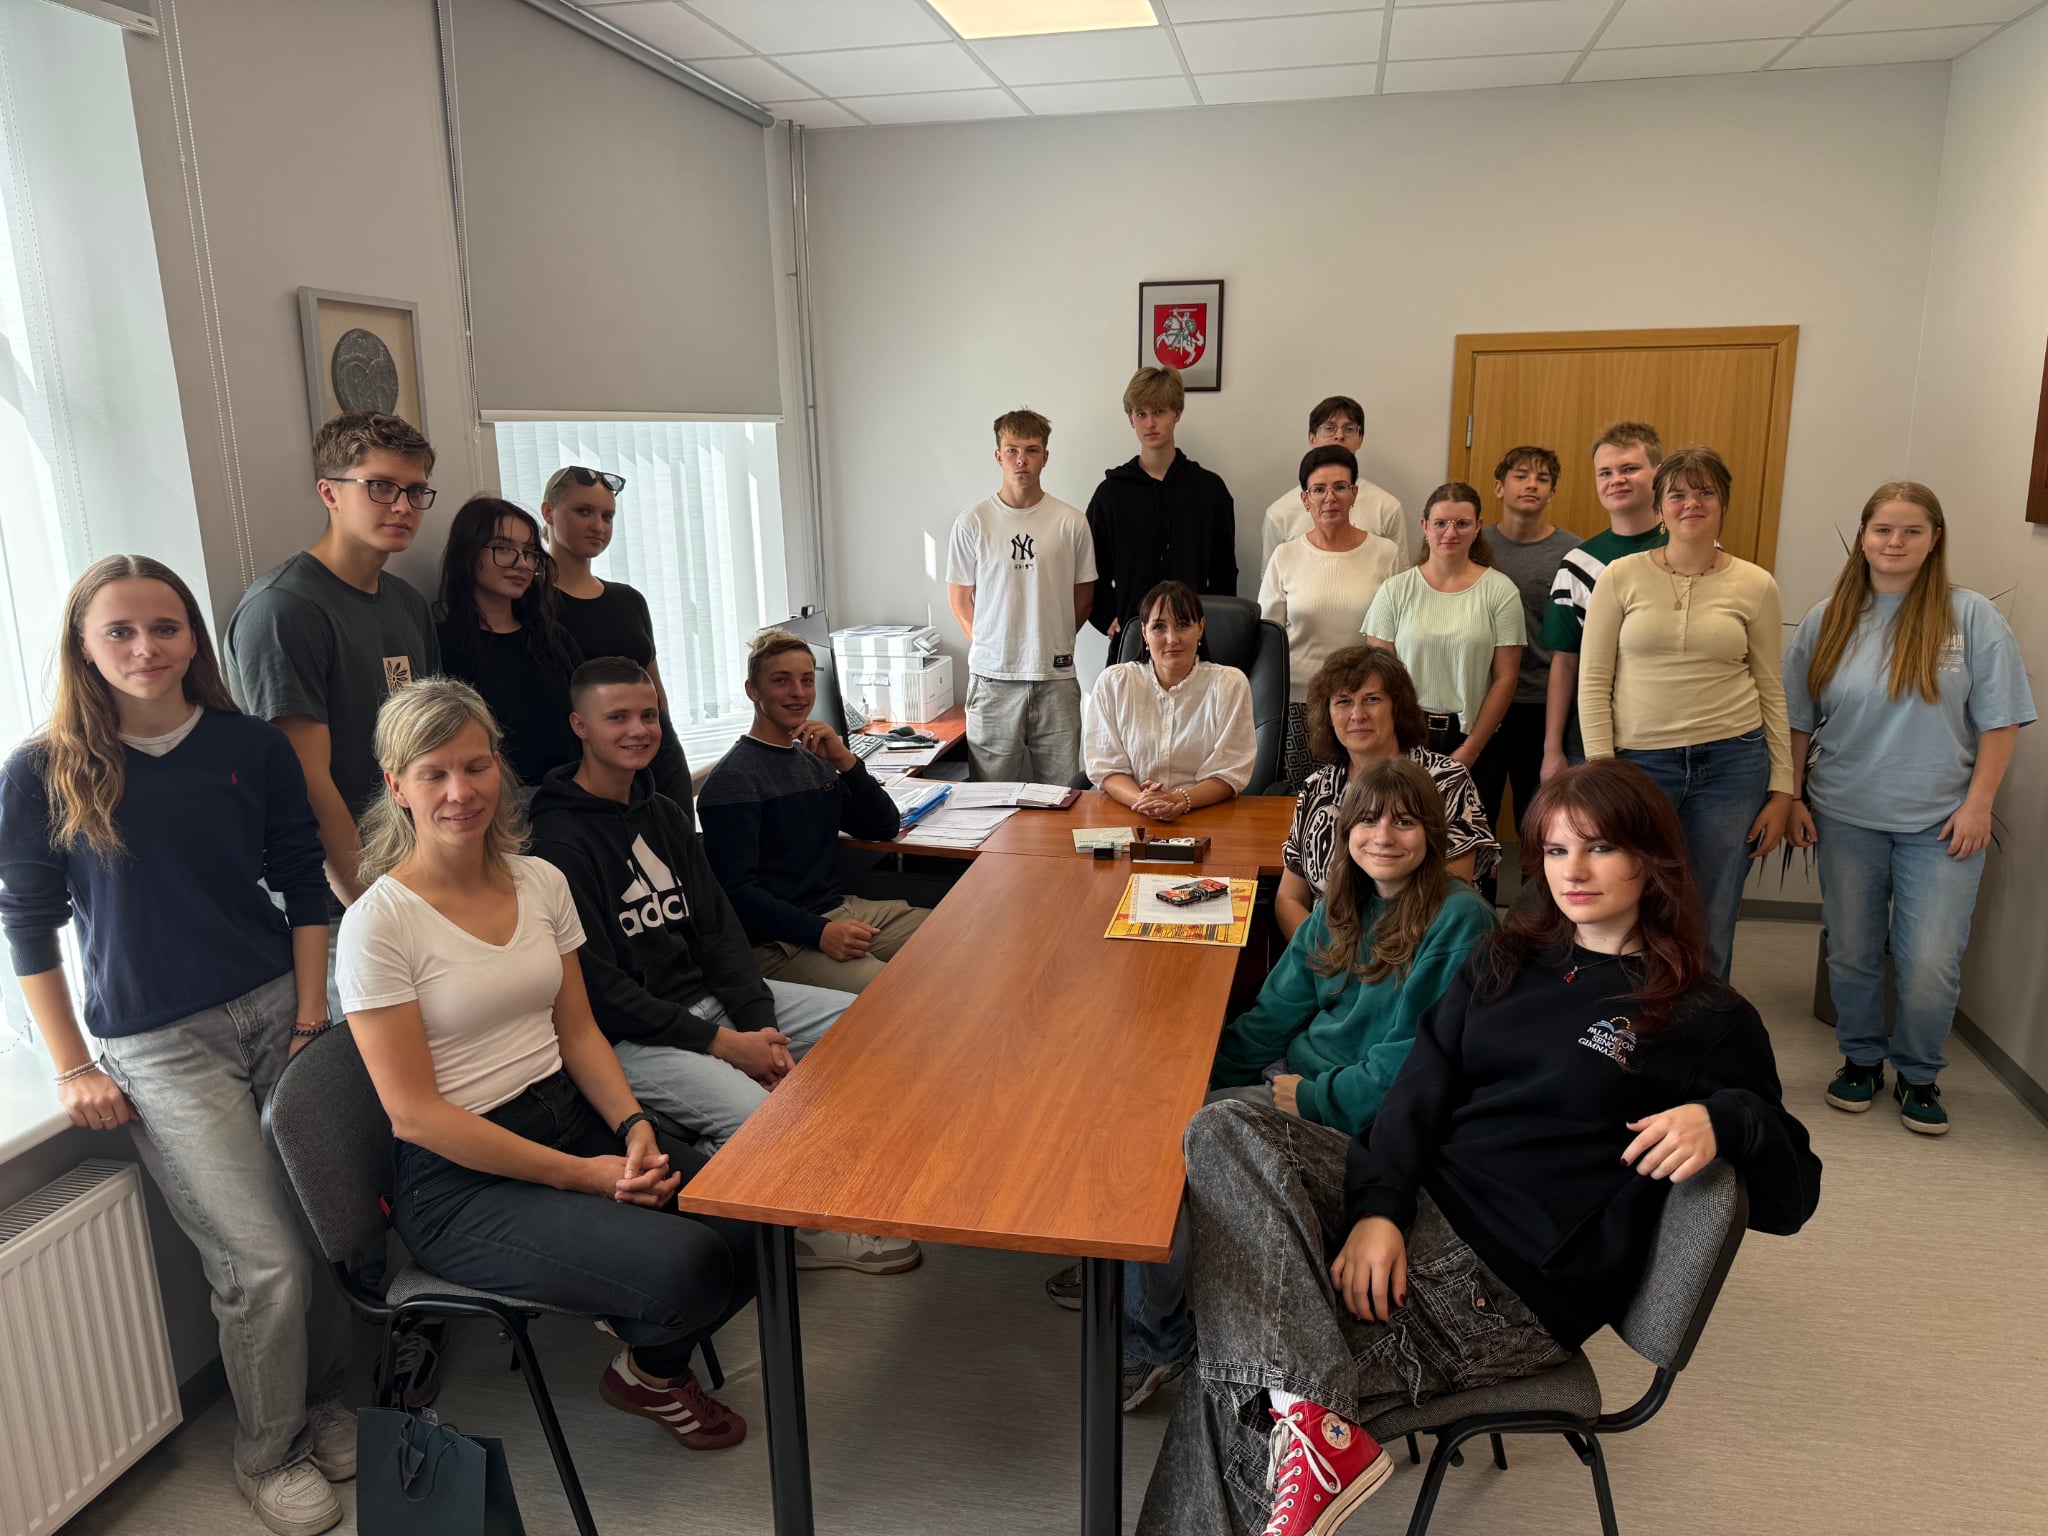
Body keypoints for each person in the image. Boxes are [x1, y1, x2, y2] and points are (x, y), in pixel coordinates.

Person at [1135, 759, 1822, 1536]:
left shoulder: (1706, 1016)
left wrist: (1727, 1119)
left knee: (1234, 1380)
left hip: (1504, 1287)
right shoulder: (1507, 959)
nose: (1573, 871)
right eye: (1556, 850)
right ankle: (1311, 1416)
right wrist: (1380, 1211)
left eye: (1599, 848)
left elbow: (1793, 1196)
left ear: (1652, 857)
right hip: (1420, 1211)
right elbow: (1415, 1098)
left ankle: (1300, 1415)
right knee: (1222, 1127)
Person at [1, 557, 353, 1536]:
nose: (145, 647)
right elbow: (28, 928)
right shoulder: (42, 770)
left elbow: (303, 882)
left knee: (320, 1227)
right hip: (160, 1047)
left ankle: (324, 1403)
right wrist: (72, 1065)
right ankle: (267, 1453)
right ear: (83, 646)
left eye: (164, 627)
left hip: (281, 1010)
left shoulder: (248, 745)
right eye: (119, 631)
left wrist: (311, 1017)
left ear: (194, 636)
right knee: (261, 1262)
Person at [337, 679, 755, 1455]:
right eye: (433, 773)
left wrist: (632, 1127)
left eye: (476, 765)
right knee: (691, 1265)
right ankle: (641, 1325)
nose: (460, 791)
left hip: (569, 1117)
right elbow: (414, 1115)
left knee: (753, 1216)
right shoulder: (378, 924)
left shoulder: (539, 881)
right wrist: (582, 1177)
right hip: (459, 1182)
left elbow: (579, 1032)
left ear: (500, 766)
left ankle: (649, 1370)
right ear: (397, 787)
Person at [1093, 761, 1498, 1414]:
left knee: (1169, 1147)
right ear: (1346, 832)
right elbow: (1271, 1017)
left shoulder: (1459, 920)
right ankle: (1132, 1274)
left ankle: (1157, 1337)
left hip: (1352, 1115)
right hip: (1293, 1078)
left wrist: (1313, 1097)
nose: (1383, 836)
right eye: (1368, 820)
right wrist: (1191, 1080)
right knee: (1152, 1108)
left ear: (1432, 833)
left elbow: (1414, 1067)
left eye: (1404, 821)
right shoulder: (1342, 904)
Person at [529, 657, 920, 1273]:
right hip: (633, 1038)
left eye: (649, 715)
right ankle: (790, 1225)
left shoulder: (663, 811)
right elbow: (603, 995)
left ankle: (809, 1167)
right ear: (580, 726)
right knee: (767, 1120)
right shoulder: (555, 842)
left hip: (709, 1004)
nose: (639, 730)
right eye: (618, 718)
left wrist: (761, 1028)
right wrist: (728, 1046)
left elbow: (719, 933)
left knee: (879, 1028)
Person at [1784, 482, 2034, 1135]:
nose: (1895, 542)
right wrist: (1794, 798)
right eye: (1883, 529)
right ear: (1863, 537)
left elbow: (2001, 721)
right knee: (1852, 950)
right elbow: (1797, 721)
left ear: (1934, 539)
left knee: (1929, 961)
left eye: (1911, 531)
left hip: (1943, 821)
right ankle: (1861, 1061)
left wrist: (1979, 805)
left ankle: (1919, 1074)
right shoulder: (1828, 618)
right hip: (1845, 814)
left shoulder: (1970, 617)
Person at [225, 412, 440, 976]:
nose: (402, 506)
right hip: (338, 903)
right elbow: (306, 781)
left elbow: (428, 745)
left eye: (415, 491)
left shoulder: (407, 603)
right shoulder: (284, 610)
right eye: (381, 487)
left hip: (417, 874)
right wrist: (374, 908)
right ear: (329, 493)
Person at [1578, 446, 1792, 980]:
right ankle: (1629, 1018)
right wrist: (1602, 771)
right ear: (1659, 507)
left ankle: (1703, 1020)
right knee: (1630, 902)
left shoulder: (1756, 584)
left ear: (1723, 504)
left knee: (1711, 912)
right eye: (1677, 494)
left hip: (1733, 765)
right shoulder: (1620, 576)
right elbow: (1594, 680)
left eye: (1705, 492)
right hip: (1638, 766)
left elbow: (1771, 686)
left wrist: (1783, 788)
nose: (1691, 503)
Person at [698, 629, 928, 993]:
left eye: (807, 680)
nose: (798, 692)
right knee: (892, 990)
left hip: (840, 909)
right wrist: (819, 932)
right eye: (781, 681)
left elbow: (883, 826)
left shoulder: (814, 761)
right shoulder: (733, 780)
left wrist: (846, 761)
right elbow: (736, 894)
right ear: (752, 690)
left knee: (957, 934)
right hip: (778, 941)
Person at [1277, 647, 1499, 941]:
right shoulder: (1315, 787)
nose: (1357, 714)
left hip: (1419, 950)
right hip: (1324, 952)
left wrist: (1363, 962)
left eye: (1372, 699)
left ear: (1398, 707)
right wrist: (1320, 957)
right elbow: (1289, 899)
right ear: (1328, 715)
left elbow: (1444, 903)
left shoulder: (1445, 781)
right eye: (1343, 701)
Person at [945, 408, 1098, 783]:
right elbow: (960, 600)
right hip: (992, 681)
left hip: (1055, 679)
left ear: (1045, 456)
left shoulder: (1071, 522)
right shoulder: (973, 522)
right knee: (990, 800)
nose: (1021, 460)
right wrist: (994, 646)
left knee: (1061, 796)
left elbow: (1083, 598)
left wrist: (1052, 638)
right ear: (998, 456)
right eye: (1012, 450)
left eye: (1031, 450)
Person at [539, 464, 693, 819]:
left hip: (660, 762)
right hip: (585, 774)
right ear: (548, 512)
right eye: (584, 511)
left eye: (607, 516)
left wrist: (663, 738)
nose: (598, 525)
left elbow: (654, 688)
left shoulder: (629, 600)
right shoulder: (532, 605)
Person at [1258, 445, 1400, 792]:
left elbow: (1399, 632)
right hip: (1301, 704)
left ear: (1354, 494)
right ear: (1305, 499)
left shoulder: (1385, 553)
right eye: (1319, 489)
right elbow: (1268, 638)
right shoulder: (1285, 556)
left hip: (1365, 702)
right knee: (1305, 798)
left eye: (1339, 487)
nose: (1330, 497)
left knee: (1365, 797)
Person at [1363, 483, 1524, 771]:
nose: (1450, 533)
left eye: (1462, 524)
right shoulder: (1394, 591)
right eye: (1440, 523)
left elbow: (1506, 678)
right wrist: (1396, 743)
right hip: (1405, 736)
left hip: (1477, 740)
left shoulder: (1501, 591)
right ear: (1425, 526)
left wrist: (1469, 751)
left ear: (1478, 527)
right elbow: (1381, 678)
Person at [1542, 422, 1666, 783]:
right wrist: (1552, 750)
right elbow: (1565, 662)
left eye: (1630, 468)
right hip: (1595, 739)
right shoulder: (1578, 565)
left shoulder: (1694, 552)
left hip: (1676, 737)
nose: (1617, 480)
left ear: (1659, 474)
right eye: (1605, 472)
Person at [434, 495, 585, 789]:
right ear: (469, 554)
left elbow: (588, 721)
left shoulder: (553, 638)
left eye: (529, 552)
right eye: (503, 548)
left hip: (569, 800)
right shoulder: (443, 645)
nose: (522, 564)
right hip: (491, 804)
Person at [1477, 446, 1580, 846]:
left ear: (1552, 492)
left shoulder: (1573, 554)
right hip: (1481, 701)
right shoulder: (1474, 544)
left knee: (1538, 818)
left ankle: (1537, 888)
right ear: (1500, 488)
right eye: (1521, 476)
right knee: (1477, 815)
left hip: (1542, 703)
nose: (1531, 485)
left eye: (1542, 478)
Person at [1087, 367, 1237, 639]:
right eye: (1141, 414)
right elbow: (1090, 567)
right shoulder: (1110, 495)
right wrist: (1105, 616)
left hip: (1193, 638)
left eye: (1159, 412)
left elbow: (1224, 570)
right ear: (1131, 419)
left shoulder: (1209, 490)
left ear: (1177, 413)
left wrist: (1215, 622)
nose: (1150, 423)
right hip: (1132, 636)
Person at [1082, 581, 1255, 818]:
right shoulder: (1114, 683)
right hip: (1129, 812)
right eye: (1159, 627)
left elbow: (1229, 771)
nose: (1172, 639)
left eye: (1183, 625)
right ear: (1144, 633)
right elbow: (1106, 765)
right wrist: (1144, 802)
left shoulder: (1229, 685)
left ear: (1201, 628)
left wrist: (1179, 800)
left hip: (1206, 815)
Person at [1259, 396, 1407, 570]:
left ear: (1360, 439)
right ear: (1312, 438)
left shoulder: (1387, 507)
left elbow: (1400, 577)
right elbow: (1271, 579)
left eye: (1349, 429)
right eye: (1329, 428)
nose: (1339, 436)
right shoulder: (1280, 513)